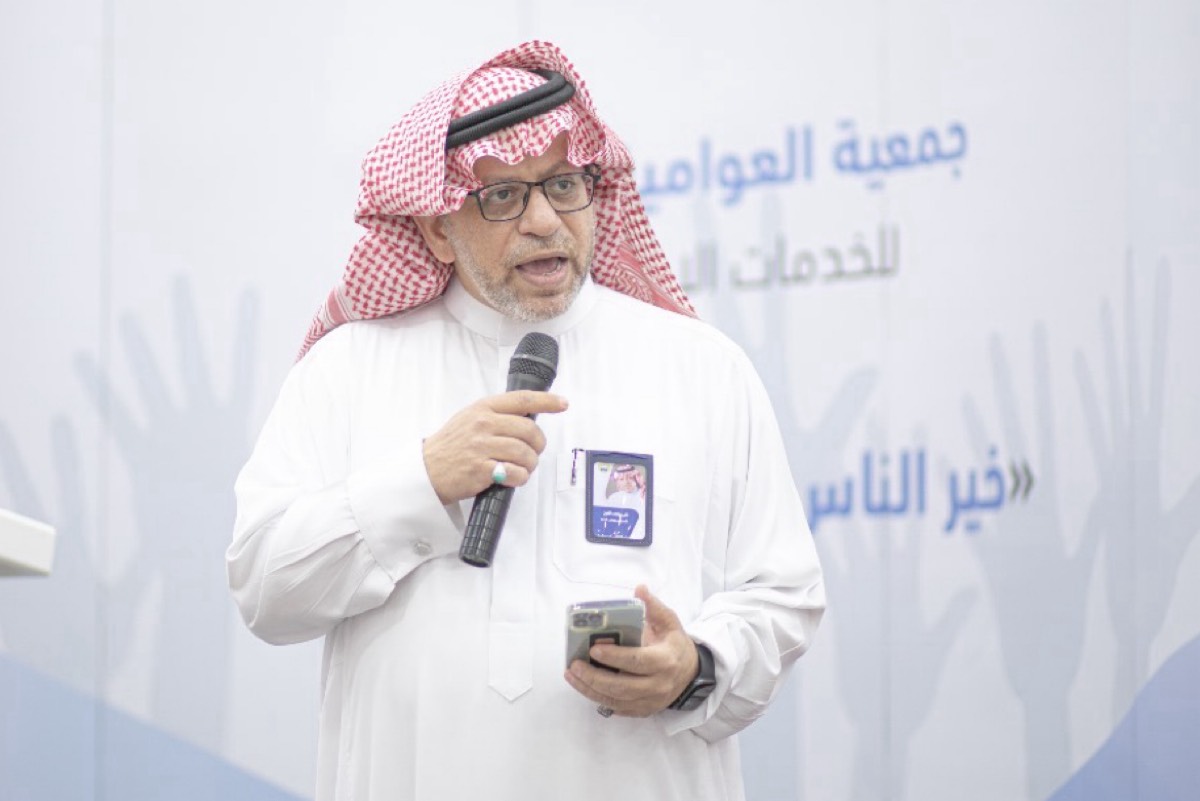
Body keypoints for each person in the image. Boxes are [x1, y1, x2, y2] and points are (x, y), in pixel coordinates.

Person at [227, 40, 824, 801]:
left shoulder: (701, 368)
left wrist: (697, 668)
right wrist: (421, 481)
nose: (544, 220)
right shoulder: (349, 368)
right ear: (436, 228)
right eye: (503, 196)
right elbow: (264, 587)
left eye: (565, 185)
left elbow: (783, 594)